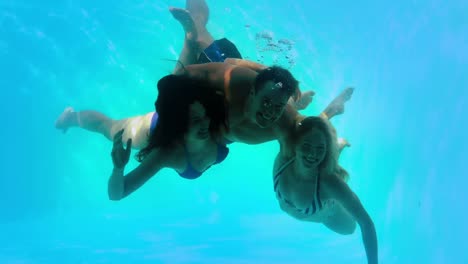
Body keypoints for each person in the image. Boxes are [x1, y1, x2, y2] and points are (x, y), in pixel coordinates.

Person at [55, 74, 230, 200]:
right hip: (150, 129)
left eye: (204, 116)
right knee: (107, 127)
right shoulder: (168, 154)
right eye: (195, 120)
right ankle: (70, 118)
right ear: (180, 124)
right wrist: (118, 169)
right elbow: (117, 194)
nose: (204, 124)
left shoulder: (216, 127)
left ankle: (190, 33)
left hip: (177, 112)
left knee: (180, 77)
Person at [272, 91, 377, 264]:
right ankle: (333, 118)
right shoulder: (286, 153)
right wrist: (295, 97)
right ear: (295, 144)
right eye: (306, 146)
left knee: (349, 229)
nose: (312, 155)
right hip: (317, 180)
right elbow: (282, 108)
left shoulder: (330, 185)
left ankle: (337, 146)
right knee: (319, 156)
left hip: (329, 213)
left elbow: (366, 223)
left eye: (320, 149)